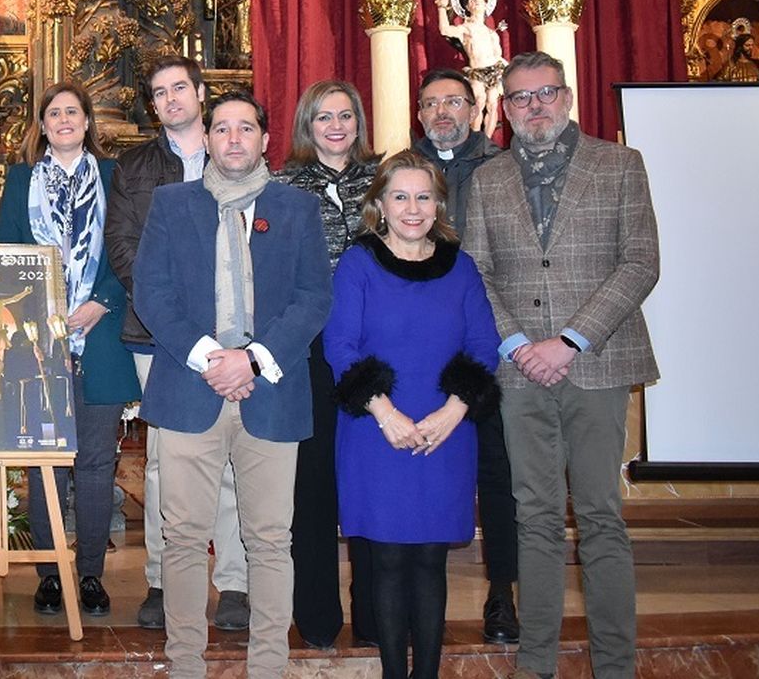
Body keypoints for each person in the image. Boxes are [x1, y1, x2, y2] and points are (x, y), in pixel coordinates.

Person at [465, 51, 660, 679]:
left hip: (597, 366)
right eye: (520, 99)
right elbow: (477, 272)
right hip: (518, 371)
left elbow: (640, 263)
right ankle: (536, 665)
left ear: (567, 96)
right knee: (534, 517)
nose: (534, 107)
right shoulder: (489, 178)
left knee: (602, 516)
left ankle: (616, 667)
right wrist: (519, 343)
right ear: (507, 109)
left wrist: (570, 340)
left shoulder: (620, 164)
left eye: (545, 94)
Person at [133, 89, 332, 679]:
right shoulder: (172, 204)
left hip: (271, 390)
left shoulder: (296, 209)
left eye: (247, 128)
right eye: (223, 129)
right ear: (208, 138)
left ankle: (269, 666)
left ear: (265, 139)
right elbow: (153, 293)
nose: (235, 139)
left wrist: (253, 358)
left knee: (270, 539)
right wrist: (210, 357)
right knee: (185, 538)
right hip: (189, 391)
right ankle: (186, 664)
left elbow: (314, 297)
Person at [325, 150, 502, 679]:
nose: (412, 207)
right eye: (399, 196)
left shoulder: (460, 266)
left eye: (423, 196)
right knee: (388, 559)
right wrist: (386, 414)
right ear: (379, 203)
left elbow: (484, 346)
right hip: (375, 432)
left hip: (445, 433)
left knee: (430, 557)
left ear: (438, 204)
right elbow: (341, 345)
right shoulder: (359, 262)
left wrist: (453, 411)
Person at [106, 55, 250, 631]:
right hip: (158, 337)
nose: (169, 100)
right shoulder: (135, 166)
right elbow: (122, 246)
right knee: (165, 461)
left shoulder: (233, 151)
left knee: (231, 463)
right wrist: (173, 318)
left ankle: (235, 583)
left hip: (235, 338)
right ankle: (165, 580)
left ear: (200, 92)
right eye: (158, 92)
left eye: (178, 89)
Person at [0, 81, 139, 617]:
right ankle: (51, 574)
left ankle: (92, 575)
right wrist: (38, 311)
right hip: (38, 337)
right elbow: (9, 251)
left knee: (98, 462)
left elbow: (126, 245)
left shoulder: (112, 175)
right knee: (44, 464)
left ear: (86, 122)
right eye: (53, 113)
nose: (63, 120)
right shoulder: (19, 180)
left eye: (72, 112)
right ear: (42, 124)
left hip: (99, 334)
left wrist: (101, 301)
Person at [412, 69, 520, 644]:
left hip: (488, 335)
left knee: (497, 471)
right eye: (431, 104)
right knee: (415, 457)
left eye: (454, 101)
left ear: (476, 108)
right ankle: (410, 592)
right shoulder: (402, 168)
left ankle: (502, 594)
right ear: (420, 112)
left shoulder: (503, 166)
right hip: (418, 340)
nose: (442, 112)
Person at [276, 79, 380, 649]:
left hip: (375, 350)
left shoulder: (387, 180)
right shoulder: (283, 186)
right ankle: (315, 618)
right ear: (306, 126)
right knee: (312, 486)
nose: (336, 126)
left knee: (368, 483)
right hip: (310, 351)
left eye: (345, 115)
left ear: (358, 121)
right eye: (323, 117)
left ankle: (375, 617)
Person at [435, 0, 507, 137]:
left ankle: (486, 142)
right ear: (467, 7)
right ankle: (474, 140)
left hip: (495, 70)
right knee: (479, 101)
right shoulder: (466, 28)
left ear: (486, 5)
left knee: (493, 104)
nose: (477, 1)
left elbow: (498, 54)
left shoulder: (492, 33)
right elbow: (445, 30)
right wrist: (442, 8)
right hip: (477, 71)